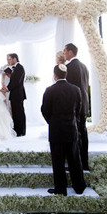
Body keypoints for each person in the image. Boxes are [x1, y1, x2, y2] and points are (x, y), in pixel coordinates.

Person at [41, 65, 86, 197]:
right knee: (75, 159)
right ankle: (79, 186)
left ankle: (61, 189)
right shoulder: (76, 89)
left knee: (58, 161)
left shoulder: (49, 90)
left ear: (55, 75)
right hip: (71, 129)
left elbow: (44, 110)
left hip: (56, 130)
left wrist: (52, 121)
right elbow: (78, 109)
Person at [63, 42, 90, 170]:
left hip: (74, 107)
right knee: (83, 134)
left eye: (64, 51)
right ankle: (84, 163)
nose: (63, 54)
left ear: (70, 52)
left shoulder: (69, 67)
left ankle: (75, 165)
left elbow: (69, 90)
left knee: (74, 136)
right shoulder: (84, 67)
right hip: (84, 105)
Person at [4, 51, 26, 137]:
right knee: (15, 112)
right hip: (15, 94)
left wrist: (7, 88)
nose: (9, 61)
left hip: (18, 94)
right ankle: (17, 129)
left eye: (10, 59)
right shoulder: (15, 68)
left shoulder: (20, 68)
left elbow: (16, 81)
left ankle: (21, 131)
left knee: (19, 113)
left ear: (15, 59)